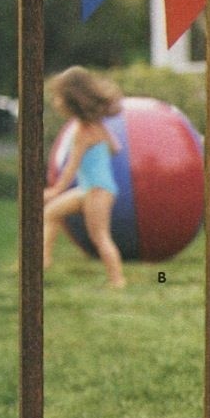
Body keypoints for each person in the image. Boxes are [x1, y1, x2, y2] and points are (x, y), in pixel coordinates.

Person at [43, 65, 126, 288]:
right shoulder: (96, 126)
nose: (56, 102)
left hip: (98, 190)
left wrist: (56, 189)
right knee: (51, 213)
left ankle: (117, 280)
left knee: (99, 237)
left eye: (58, 98)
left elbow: (72, 165)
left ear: (72, 100)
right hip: (92, 188)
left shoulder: (83, 131)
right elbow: (116, 148)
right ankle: (43, 261)